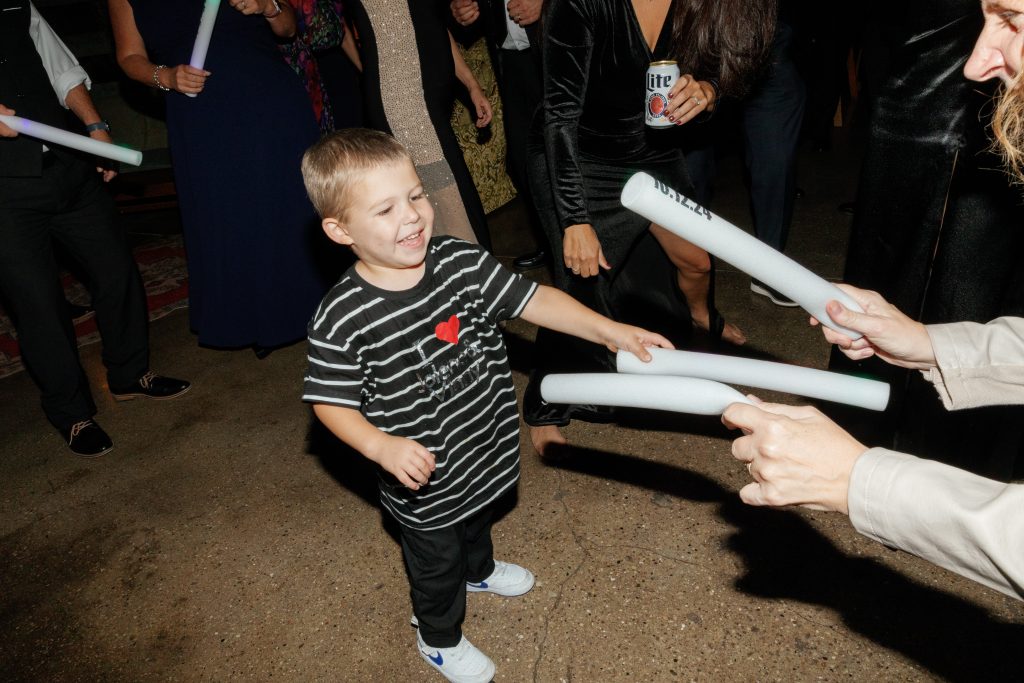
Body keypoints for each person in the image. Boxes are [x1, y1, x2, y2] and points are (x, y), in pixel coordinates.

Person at [300, 129, 672, 682]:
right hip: (421, 471)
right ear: (339, 229)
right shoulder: (342, 316)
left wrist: (608, 330)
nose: (413, 216)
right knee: (435, 562)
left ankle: (480, 570)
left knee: (477, 518)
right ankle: (438, 637)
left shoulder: (456, 261)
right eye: (385, 208)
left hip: (482, 440)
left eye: (416, 195)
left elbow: (535, 300)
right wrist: (380, 446)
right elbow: (329, 404)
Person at [524, 0, 777, 453]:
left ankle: (704, 320)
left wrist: (709, 90)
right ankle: (545, 404)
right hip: (577, 158)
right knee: (579, 284)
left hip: (652, 153)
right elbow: (558, 117)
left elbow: (727, 72)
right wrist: (575, 218)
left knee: (696, 260)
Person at [0, 2, 190, 457]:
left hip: (67, 163)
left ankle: (129, 374)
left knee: (115, 270)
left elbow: (60, 68)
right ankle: (72, 414)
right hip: (6, 193)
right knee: (38, 305)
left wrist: (96, 127)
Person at [109, 0, 333, 356]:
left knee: (288, 207)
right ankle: (250, 319)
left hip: (268, 101)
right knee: (225, 216)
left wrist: (267, 6)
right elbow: (128, 57)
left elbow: (289, 28)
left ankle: (320, 309)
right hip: (199, 113)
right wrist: (165, 76)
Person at [344, 0, 495, 249]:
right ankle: (471, 281)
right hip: (405, 107)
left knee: (453, 202)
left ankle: (471, 277)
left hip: (429, 104)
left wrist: (471, 84)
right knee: (448, 209)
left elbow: (432, 25)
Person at [449, 0, 547, 270]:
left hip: (556, 54)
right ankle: (551, 243)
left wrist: (547, 5)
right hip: (511, 63)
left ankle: (587, 237)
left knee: (566, 148)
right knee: (523, 157)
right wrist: (463, 15)